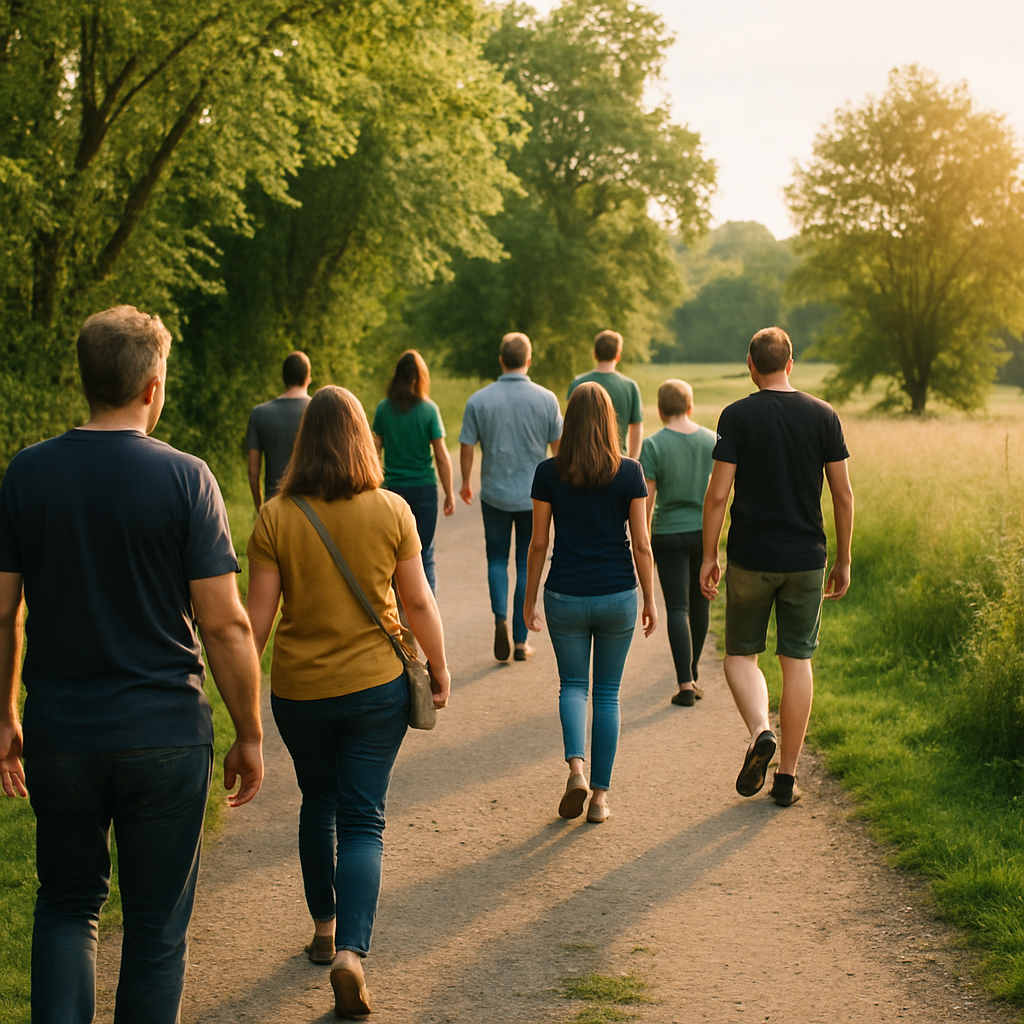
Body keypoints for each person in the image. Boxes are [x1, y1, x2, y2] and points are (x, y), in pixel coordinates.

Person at [0, 305, 264, 1023]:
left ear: (87, 380)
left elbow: (2, 611)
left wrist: (5, 717)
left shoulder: (27, 474)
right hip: (165, 733)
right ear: (153, 386)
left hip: (61, 733)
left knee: (64, 904)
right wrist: (249, 730)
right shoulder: (187, 479)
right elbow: (226, 622)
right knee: (153, 932)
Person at [246, 385, 451, 1020]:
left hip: (300, 691)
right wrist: (438, 668)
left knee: (319, 802)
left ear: (304, 443)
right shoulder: (391, 510)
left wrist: (237, 701)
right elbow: (417, 603)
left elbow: (255, 622)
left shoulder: (276, 517)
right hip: (374, 690)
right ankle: (352, 956)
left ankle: (323, 927)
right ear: (364, 439)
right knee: (363, 818)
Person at [700, 327, 854, 807]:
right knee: (797, 661)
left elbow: (719, 493)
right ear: (791, 363)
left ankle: (760, 731)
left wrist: (710, 554)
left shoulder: (737, 416)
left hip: (751, 558)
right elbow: (843, 495)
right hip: (807, 559)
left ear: (751, 363)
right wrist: (844, 558)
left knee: (741, 656)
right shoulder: (824, 414)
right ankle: (786, 777)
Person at [523, 382, 657, 823]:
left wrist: (528, 603)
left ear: (570, 421)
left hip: (565, 593)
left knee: (573, 687)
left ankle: (576, 770)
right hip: (618, 593)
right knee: (607, 694)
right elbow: (641, 543)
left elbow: (538, 543)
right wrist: (649, 599)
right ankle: (599, 799)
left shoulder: (548, 472)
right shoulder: (630, 472)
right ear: (609, 421)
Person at [459, 333, 563, 662]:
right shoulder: (546, 399)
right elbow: (558, 450)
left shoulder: (479, 400)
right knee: (524, 563)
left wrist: (465, 482)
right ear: (528, 360)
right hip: (535, 498)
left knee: (496, 560)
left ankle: (499, 618)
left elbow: (466, 445)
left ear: (501, 360)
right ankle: (520, 641)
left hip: (494, 493)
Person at [640, 379, 717, 707]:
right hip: (703, 533)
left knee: (677, 607)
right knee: (700, 603)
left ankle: (685, 683)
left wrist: (642, 541)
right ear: (691, 406)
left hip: (667, 534)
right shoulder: (712, 440)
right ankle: (694, 670)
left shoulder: (653, 445)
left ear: (660, 411)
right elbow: (719, 493)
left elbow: (646, 500)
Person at [372, 350, 455, 593]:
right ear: (421, 377)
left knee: (393, 555)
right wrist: (449, 493)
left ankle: (398, 618)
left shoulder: (383, 409)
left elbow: (373, 452)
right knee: (425, 555)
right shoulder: (429, 410)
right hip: (424, 491)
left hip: (392, 492)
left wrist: (372, 486)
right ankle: (425, 623)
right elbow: (441, 456)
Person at [246, 350, 312, 510]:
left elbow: (253, 470)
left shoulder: (259, 414)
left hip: (275, 507)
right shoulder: (318, 411)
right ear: (308, 378)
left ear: (283, 378)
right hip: (313, 508)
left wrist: (260, 507)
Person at [567, 329, 644, 459]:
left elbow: (571, 423)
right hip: (618, 459)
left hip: (582, 459)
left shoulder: (578, 383)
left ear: (595, 354)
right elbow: (636, 426)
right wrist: (633, 459)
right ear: (618, 355)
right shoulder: (630, 386)